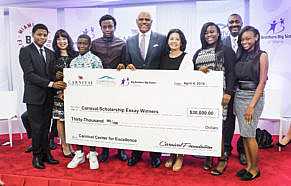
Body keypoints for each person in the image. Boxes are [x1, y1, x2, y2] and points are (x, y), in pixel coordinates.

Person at [19, 23, 65, 169]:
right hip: (34, 97)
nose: (42, 37)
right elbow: (30, 75)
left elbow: (51, 73)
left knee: (46, 127)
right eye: (39, 34)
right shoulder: (25, 51)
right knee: (37, 128)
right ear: (33, 35)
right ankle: (37, 157)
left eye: (45, 35)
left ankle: (46, 155)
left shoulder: (50, 53)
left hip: (48, 96)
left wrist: (58, 76)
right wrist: (51, 84)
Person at [191, 22, 235, 175]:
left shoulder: (227, 51)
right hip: (203, 96)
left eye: (212, 32)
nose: (209, 35)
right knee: (206, 127)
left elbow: (231, 73)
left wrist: (228, 92)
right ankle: (209, 156)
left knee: (221, 128)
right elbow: (192, 74)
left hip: (221, 95)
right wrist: (198, 72)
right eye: (206, 32)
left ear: (218, 33)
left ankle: (222, 159)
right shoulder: (198, 53)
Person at [125, 11, 167, 168]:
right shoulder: (129, 41)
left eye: (147, 20)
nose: (144, 22)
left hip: (156, 90)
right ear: (136, 22)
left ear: (151, 22)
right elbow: (127, 62)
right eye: (141, 19)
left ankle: (155, 154)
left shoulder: (162, 39)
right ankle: (136, 152)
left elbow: (166, 62)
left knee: (154, 123)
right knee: (137, 122)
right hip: (136, 91)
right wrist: (127, 66)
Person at [90, 14, 127, 162]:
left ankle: (121, 150)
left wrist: (123, 66)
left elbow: (125, 64)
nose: (107, 29)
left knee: (119, 119)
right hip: (100, 89)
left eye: (110, 26)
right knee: (103, 119)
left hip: (118, 89)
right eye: (104, 26)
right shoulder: (94, 44)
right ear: (100, 27)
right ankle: (104, 150)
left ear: (115, 27)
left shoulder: (122, 44)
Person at [234, 26, 268, 181]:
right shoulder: (240, 55)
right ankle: (248, 165)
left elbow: (262, 82)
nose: (245, 42)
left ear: (256, 37)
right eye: (242, 39)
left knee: (250, 134)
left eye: (248, 38)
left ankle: (255, 169)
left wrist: (251, 106)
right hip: (239, 95)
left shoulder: (262, 55)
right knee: (245, 135)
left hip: (253, 97)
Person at [67, 34, 103, 170]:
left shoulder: (96, 61)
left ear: (89, 45)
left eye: (84, 43)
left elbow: (100, 82)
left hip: (92, 100)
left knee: (91, 127)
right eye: (79, 43)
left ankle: (92, 153)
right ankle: (80, 153)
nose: (81, 46)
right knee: (78, 127)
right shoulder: (73, 62)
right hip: (76, 101)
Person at [160, 28, 191, 171]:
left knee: (180, 128)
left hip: (180, 99)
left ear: (181, 42)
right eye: (171, 38)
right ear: (167, 41)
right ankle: (171, 154)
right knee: (169, 128)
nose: (174, 41)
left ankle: (180, 156)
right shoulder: (163, 57)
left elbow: (187, 81)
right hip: (165, 98)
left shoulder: (187, 58)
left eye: (177, 39)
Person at [222, 13, 247, 165]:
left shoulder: (247, 40)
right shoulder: (223, 42)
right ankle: (226, 148)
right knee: (228, 121)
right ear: (228, 25)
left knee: (244, 122)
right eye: (231, 22)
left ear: (242, 23)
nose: (234, 24)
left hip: (245, 88)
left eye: (237, 21)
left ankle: (243, 150)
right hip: (228, 88)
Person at [52, 29, 78, 158]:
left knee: (71, 119)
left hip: (74, 93)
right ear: (55, 42)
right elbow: (48, 74)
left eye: (64, 38)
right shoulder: (52, 56)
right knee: (60, 119)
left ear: (68, 40)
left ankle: (71, 144)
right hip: (58, 93)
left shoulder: (76, 55)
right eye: (58, 39)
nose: (62, 41)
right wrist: (55, 77)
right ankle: (64, 145)